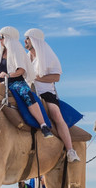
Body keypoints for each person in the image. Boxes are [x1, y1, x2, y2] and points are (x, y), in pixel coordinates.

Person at [24, 28, 81, 163]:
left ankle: (70, 151)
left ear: (34, 40)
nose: (25, 41)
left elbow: (56, 77)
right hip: (29, 92)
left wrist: (37, 78)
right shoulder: (26, 57)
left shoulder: (48, 56)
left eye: (27, 38)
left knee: (55, 114)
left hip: (46, 93)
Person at [0, 26, 53, 138]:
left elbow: (21, 70)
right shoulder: (0, 52)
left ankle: (43, 125)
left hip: (16, 82)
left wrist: (8, 75)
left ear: (8, 38)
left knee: (27, 94)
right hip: (1, 84)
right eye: (0, 37)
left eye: (2, 37)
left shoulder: (16, 50)